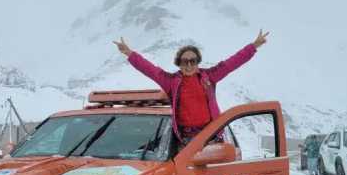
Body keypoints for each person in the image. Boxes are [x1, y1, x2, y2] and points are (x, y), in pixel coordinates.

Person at [113, 30, 269, 145]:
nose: (188, 65)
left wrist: (254, 46)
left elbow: (232, 63)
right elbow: (149, 69)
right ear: (179, 63)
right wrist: (129, 53)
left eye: (192, 61)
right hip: (186, 140)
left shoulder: (209, 77)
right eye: (184, 61)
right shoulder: (171, 81)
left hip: (211, 136)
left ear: (198, 62)